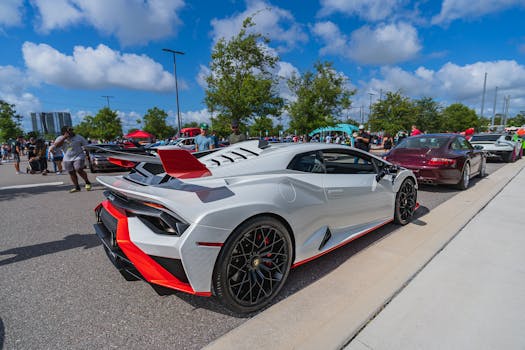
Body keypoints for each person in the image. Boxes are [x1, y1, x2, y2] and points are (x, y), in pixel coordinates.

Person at [49, 126, 92, 193]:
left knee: (78, 168)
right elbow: (56, 146)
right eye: (69, 130)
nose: (71, 131)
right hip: (67, 158)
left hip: (79, 156)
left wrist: (87, 155)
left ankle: (87, 182)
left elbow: (86, 146)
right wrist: (64, 138)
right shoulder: (60, 138)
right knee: (71, 172)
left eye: (71, 130)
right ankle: (77, 187)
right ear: (64, 132)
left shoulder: (79, 137)